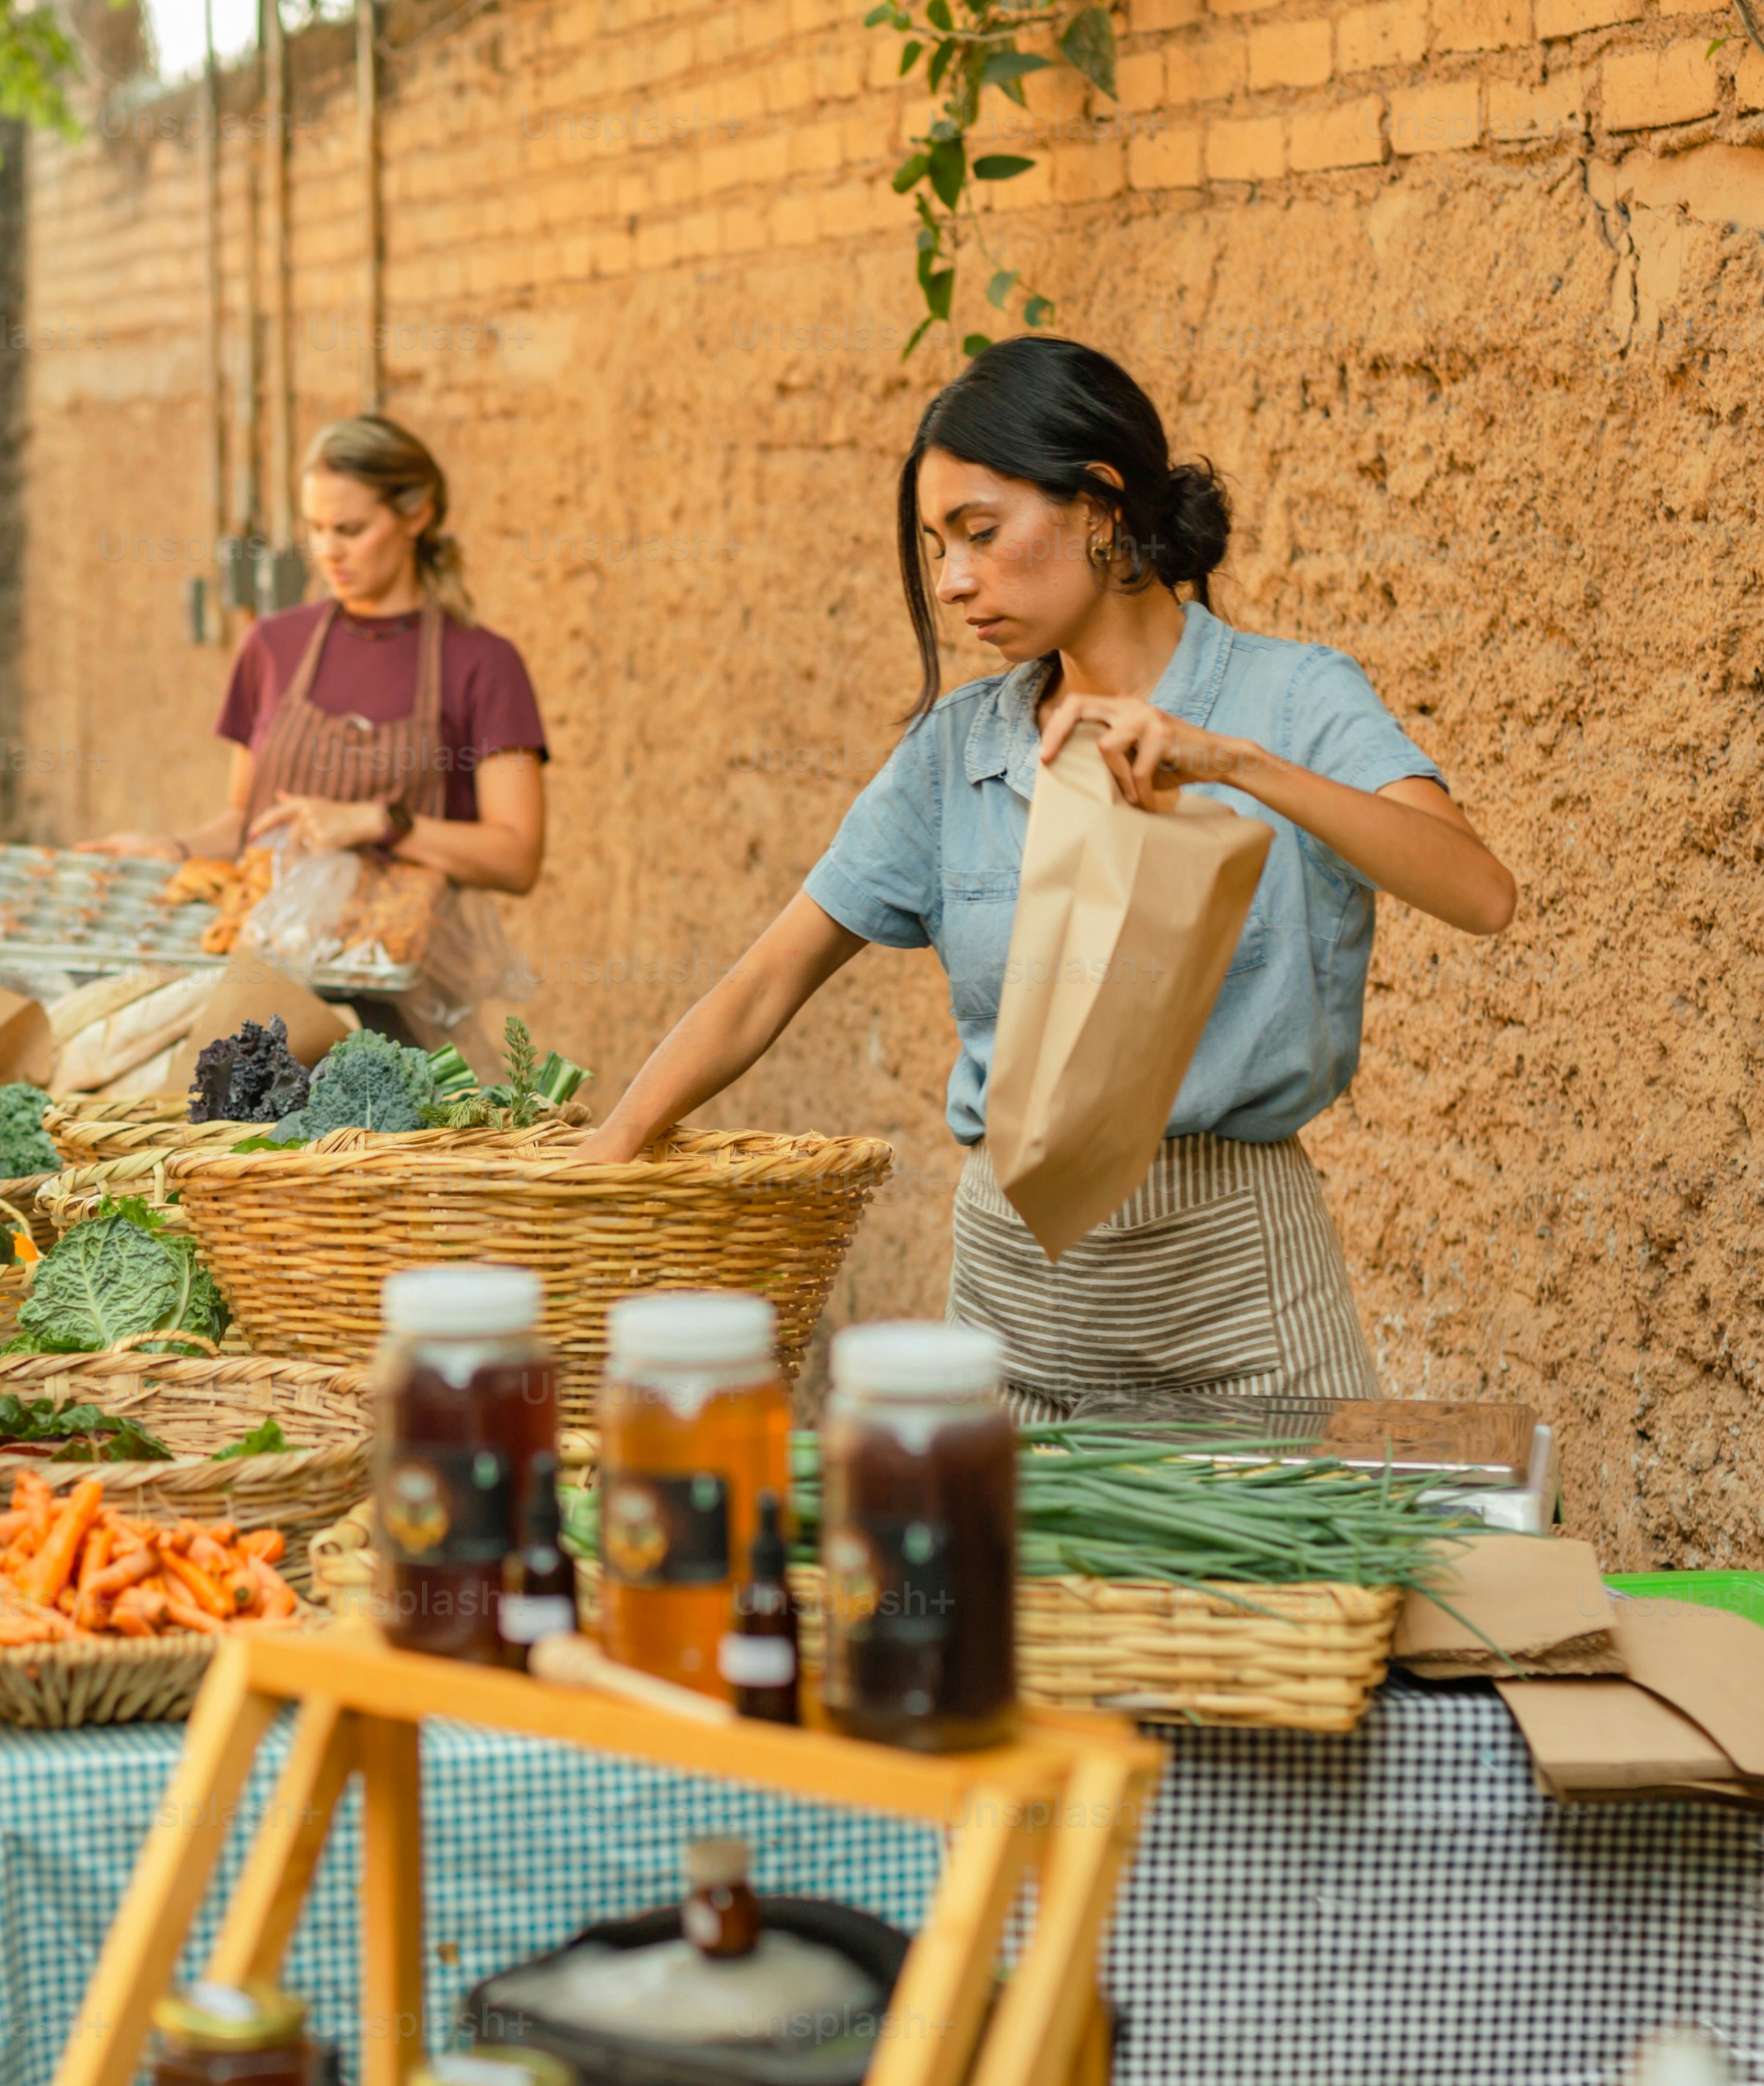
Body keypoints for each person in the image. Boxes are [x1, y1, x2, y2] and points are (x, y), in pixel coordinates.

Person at [585, 336, 1516, 1419]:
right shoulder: (954, 752)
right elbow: (764, 981)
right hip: (1011, 1319)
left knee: (1291, 1592)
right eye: (937, 547)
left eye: (981, 534)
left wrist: (1233, 763)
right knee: (998, 1590)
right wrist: (606, 1154)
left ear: (1102, 505)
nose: (953, 582)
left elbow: (1478, 893)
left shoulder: (1294, 696)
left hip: (1237, 1300)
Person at [81, 415, 548, 1057]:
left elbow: (516, 857)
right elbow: (250, 824)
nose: (328, 551)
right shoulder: (273, 646)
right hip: (259, 1002)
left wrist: (383, 822)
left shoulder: (484, 664)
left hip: (405, 1020)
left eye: (351, 530)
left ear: (417, 515)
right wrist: (172, 848)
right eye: (316, 529)